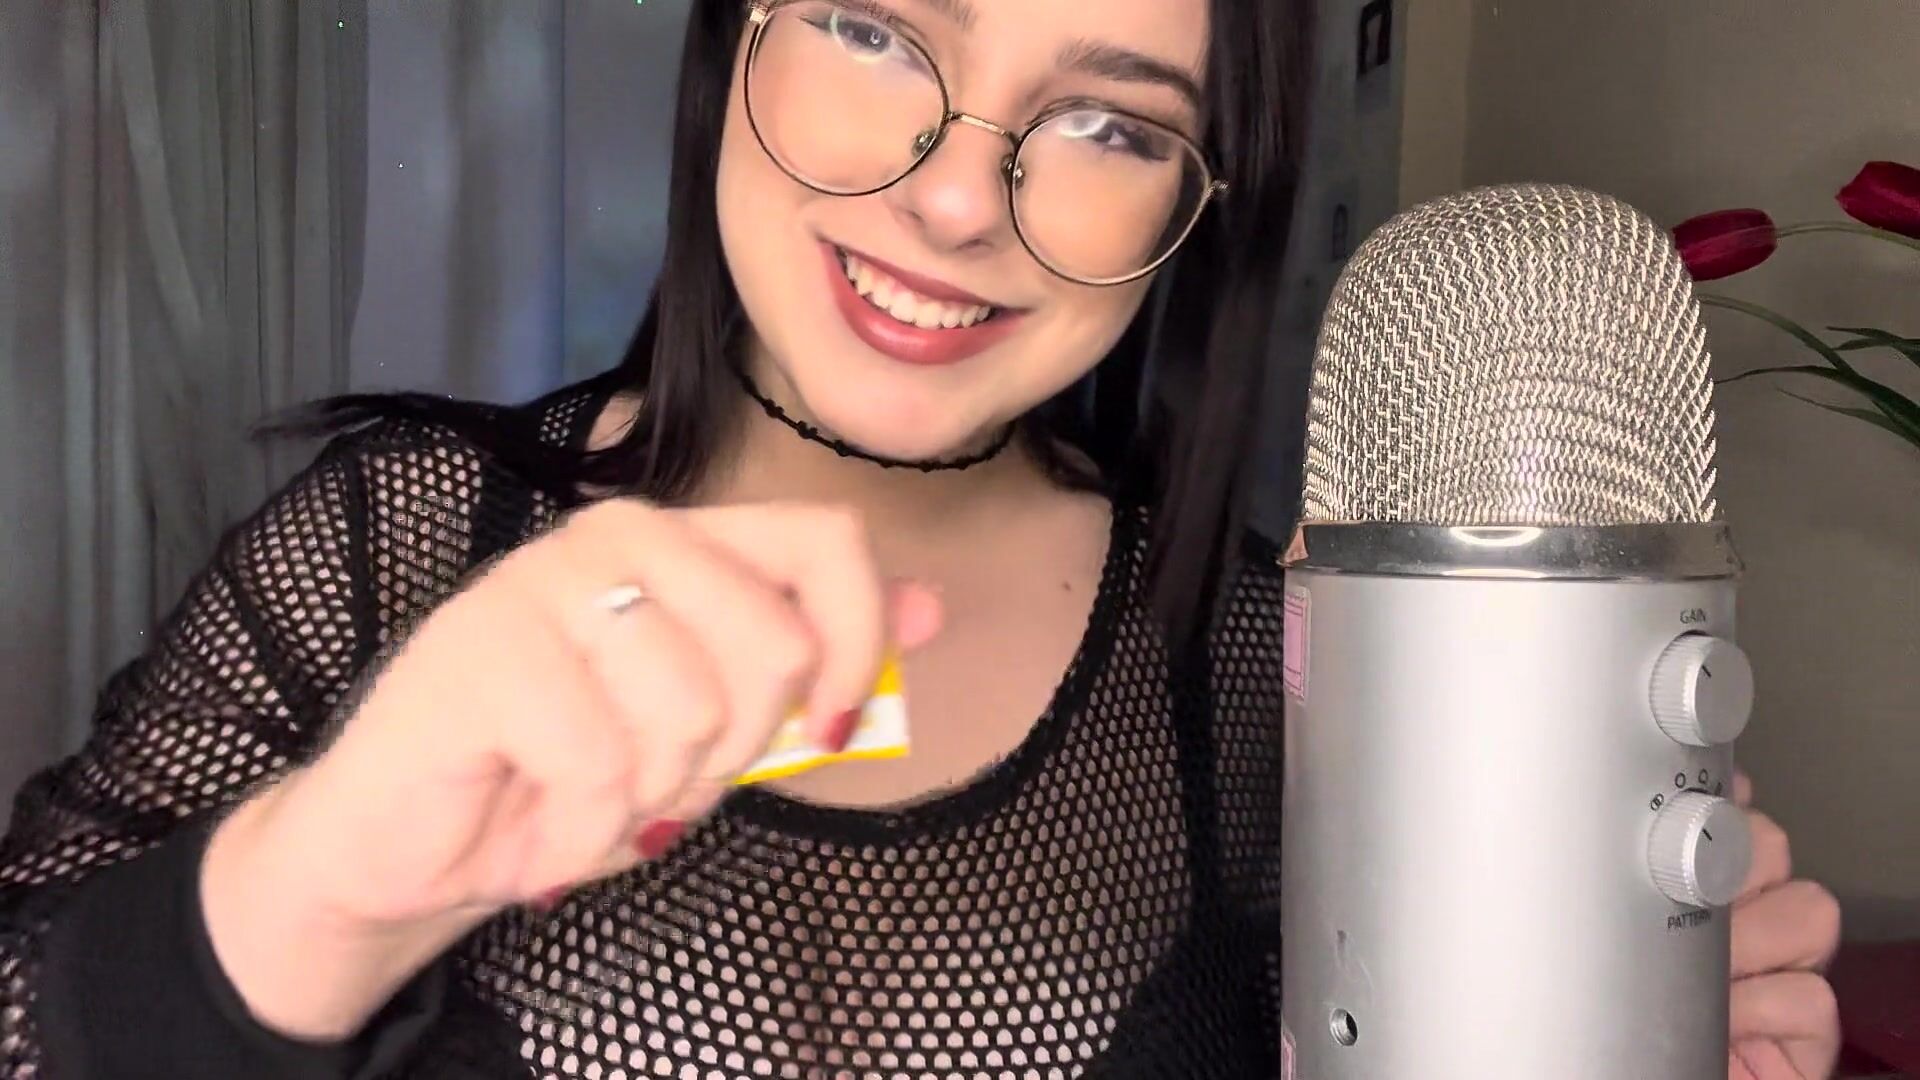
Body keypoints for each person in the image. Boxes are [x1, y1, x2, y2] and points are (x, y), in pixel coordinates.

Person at [0, 1, 1842, 1077]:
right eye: (878, 31)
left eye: (1111, 122)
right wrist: (318, 887)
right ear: (733, 38)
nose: (960, 198)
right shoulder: (389, 550)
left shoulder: (1263, 677)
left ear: (1197, 207)